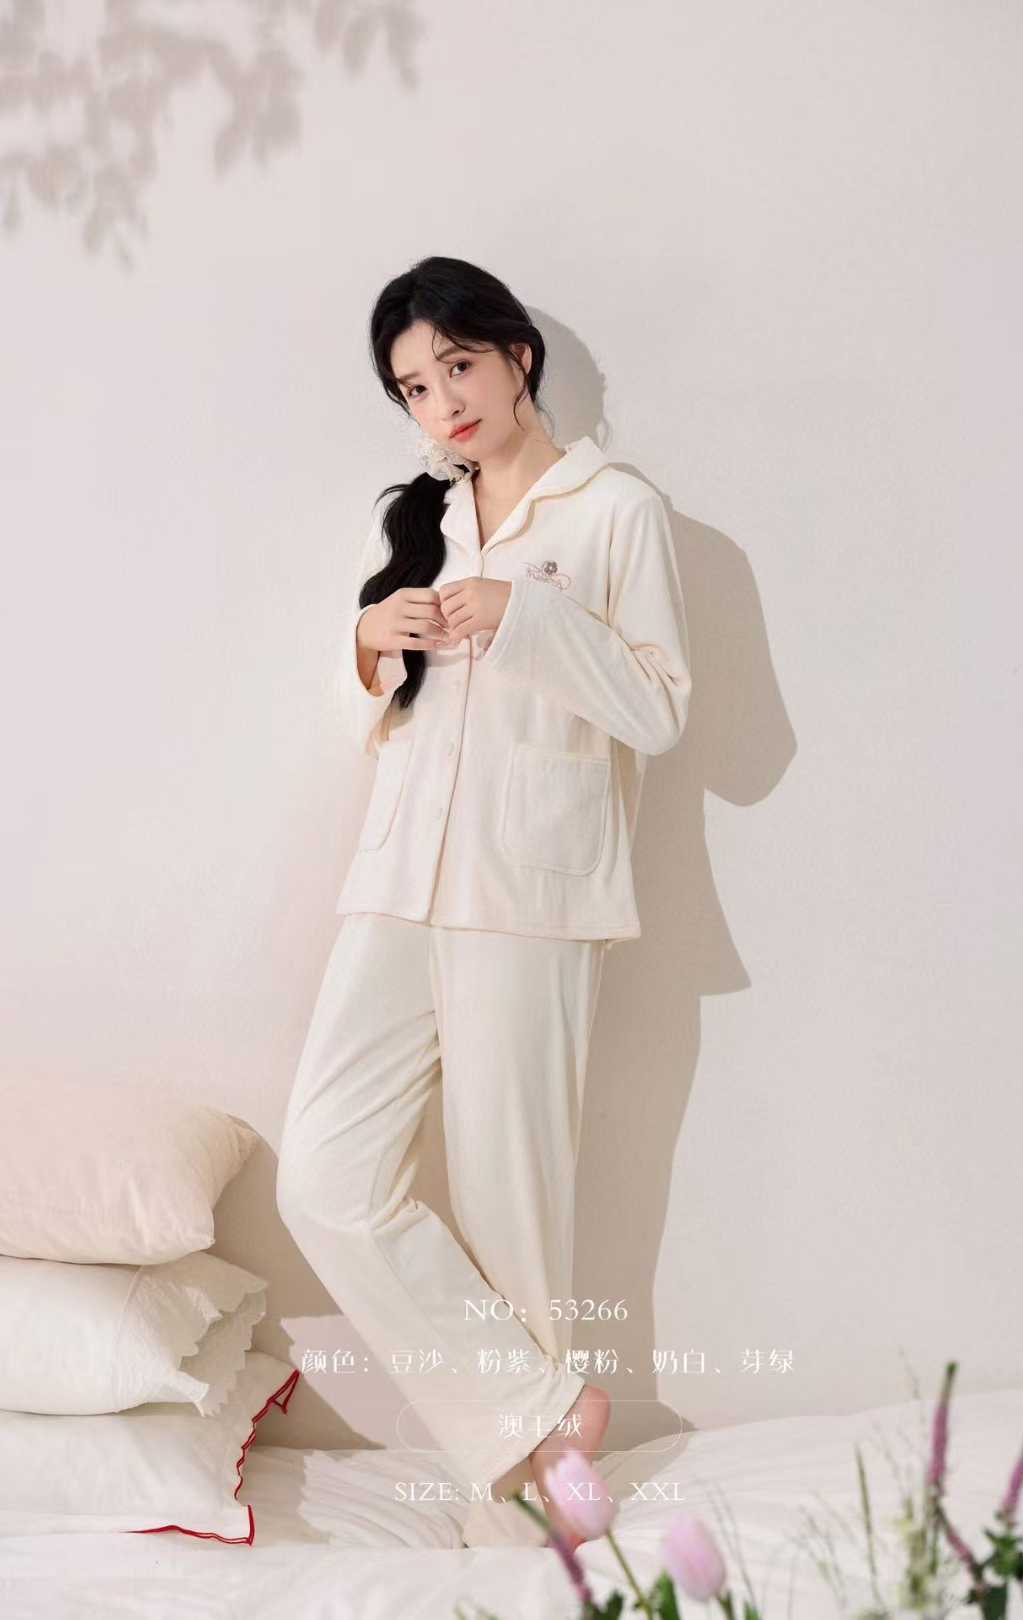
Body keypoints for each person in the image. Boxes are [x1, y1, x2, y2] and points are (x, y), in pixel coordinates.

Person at [275, 254, 692, 1551]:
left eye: (458, 366)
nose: (442, 402)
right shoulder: (413, 517)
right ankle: (545, 1416)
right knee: (325, 1174)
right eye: (414, 385)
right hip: (400, 879)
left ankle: (527, 1513)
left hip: (532, 888)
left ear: (518, 357)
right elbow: (360, 716)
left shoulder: (615, 510)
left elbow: (660, 711)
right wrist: (366, 645)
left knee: (516, 1203)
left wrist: (529, 617)